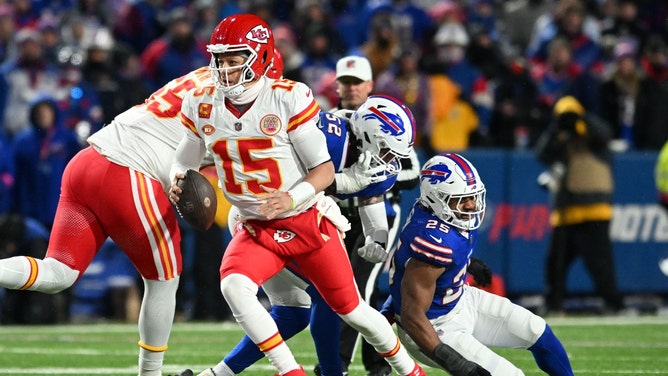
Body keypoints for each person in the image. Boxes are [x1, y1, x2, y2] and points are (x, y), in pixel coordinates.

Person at [169, 14, 425, 376]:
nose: (224, 69)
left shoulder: (289, 98)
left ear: (258, 58)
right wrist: (177, 179)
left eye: (234, 59)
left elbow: (348, 185)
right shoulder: (203, 103)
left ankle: (409, 370)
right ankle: (291, 371)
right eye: (220, 59)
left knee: (352, 309)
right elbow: (183, 161)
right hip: (256, 224)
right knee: (234, 286)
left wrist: (376, 235)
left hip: (307, 221)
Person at [0, 63, 215, 374]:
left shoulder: (201, 78)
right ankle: (150, 373)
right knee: (164, 280)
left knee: (58, 273)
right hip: (128, 171)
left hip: (87, 162)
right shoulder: (234, 101)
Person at [384, 152, 575, 375]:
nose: (471, 204)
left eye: (473, 196)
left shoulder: (438, 212)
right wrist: (453, 360)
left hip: (459, 299)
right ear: (435, 198)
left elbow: (439, 263)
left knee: (537, 330)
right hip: (435, 327)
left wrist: (466, 264)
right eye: (461, 199)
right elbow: (412, 316)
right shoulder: (432, 241)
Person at [535, 95, 625, 315]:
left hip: (594, 210)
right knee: (555, 263)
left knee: (600, 263)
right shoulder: (560, 137)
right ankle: (554, 303)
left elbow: (604, 133)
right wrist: (556, 129)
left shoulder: (592, 133)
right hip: (566, 211)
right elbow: (541, 154)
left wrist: (580, 119)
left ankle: (613, 303)